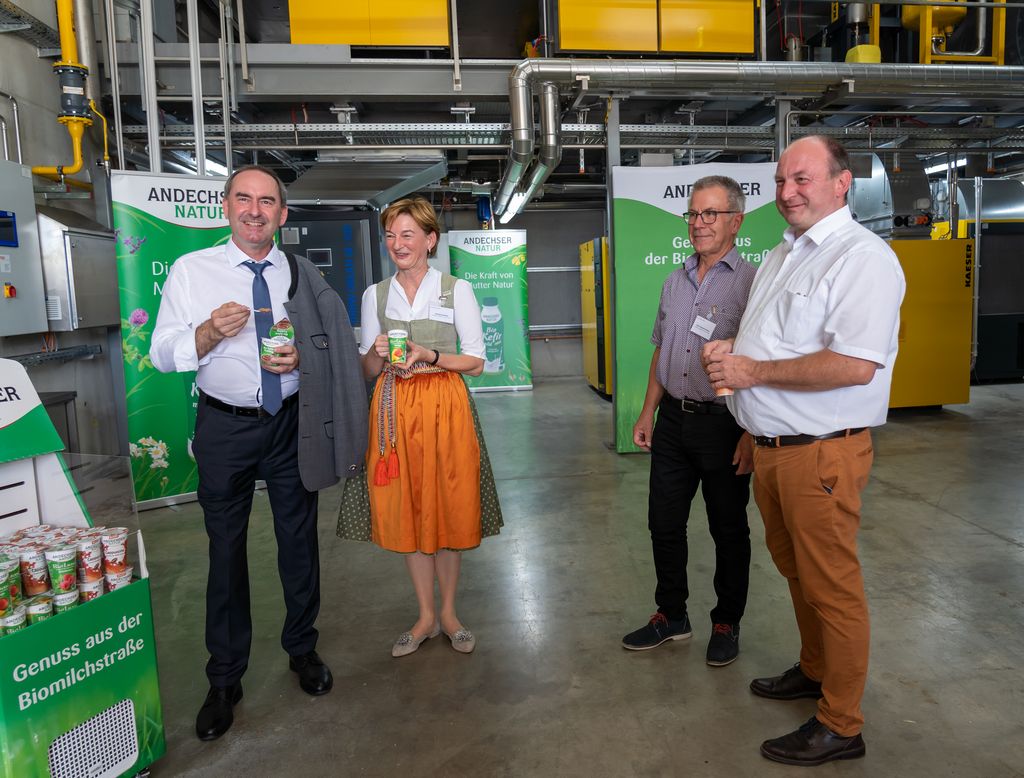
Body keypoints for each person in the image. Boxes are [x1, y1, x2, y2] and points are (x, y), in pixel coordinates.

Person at [703, 136, 906, 766]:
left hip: (821, 455)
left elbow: (854, 364)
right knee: (798, 575)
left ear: (841, 183)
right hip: (772, 448)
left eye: (803, 178)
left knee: (833, 587)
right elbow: (776, 342)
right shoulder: (786, 252)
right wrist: (742, 385)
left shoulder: (861, 259)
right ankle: (815, 671)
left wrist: (750, 375)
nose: (788, 192)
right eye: (781, 180)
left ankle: (841, 723)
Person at [151, 165, 368, 741]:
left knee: (299, 542)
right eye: (244, 199)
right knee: (226, 553)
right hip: (225, 427)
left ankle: (303, 650)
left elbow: (328, 343)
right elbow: (162, 353)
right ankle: (224, 679)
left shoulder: (299, 273)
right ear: (227, 207)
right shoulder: (191, 271)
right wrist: (205, 334)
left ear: (282, 214)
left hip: (289, 422)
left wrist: (303, 361)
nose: (255, 210)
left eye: (267, 201)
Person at [337, 196, 502, 658]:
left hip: (444, 406)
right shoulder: (375, 295)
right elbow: (369, 371)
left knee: (449, 505)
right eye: (390, 235)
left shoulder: (456, 290)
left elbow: (476, 362)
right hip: (393, 410)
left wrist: (428, 354)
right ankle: (425, 615)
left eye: (407, 234)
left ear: (430, 240)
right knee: (409, 508)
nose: (397, 244)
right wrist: (371, 353)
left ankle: (449, 613)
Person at [621, 175, 756, 667]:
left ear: (735, 221)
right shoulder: (674, 280)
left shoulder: (751, 283)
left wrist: (750, 434)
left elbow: (761, 363)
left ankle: (727, 620)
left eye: (710, 214)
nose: (698, 224)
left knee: (728, 528)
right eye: (693, 215)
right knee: (664, 523)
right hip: (675, 421)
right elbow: (665, 349)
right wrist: (647, 410)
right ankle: (671, 615)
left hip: (725, 426)